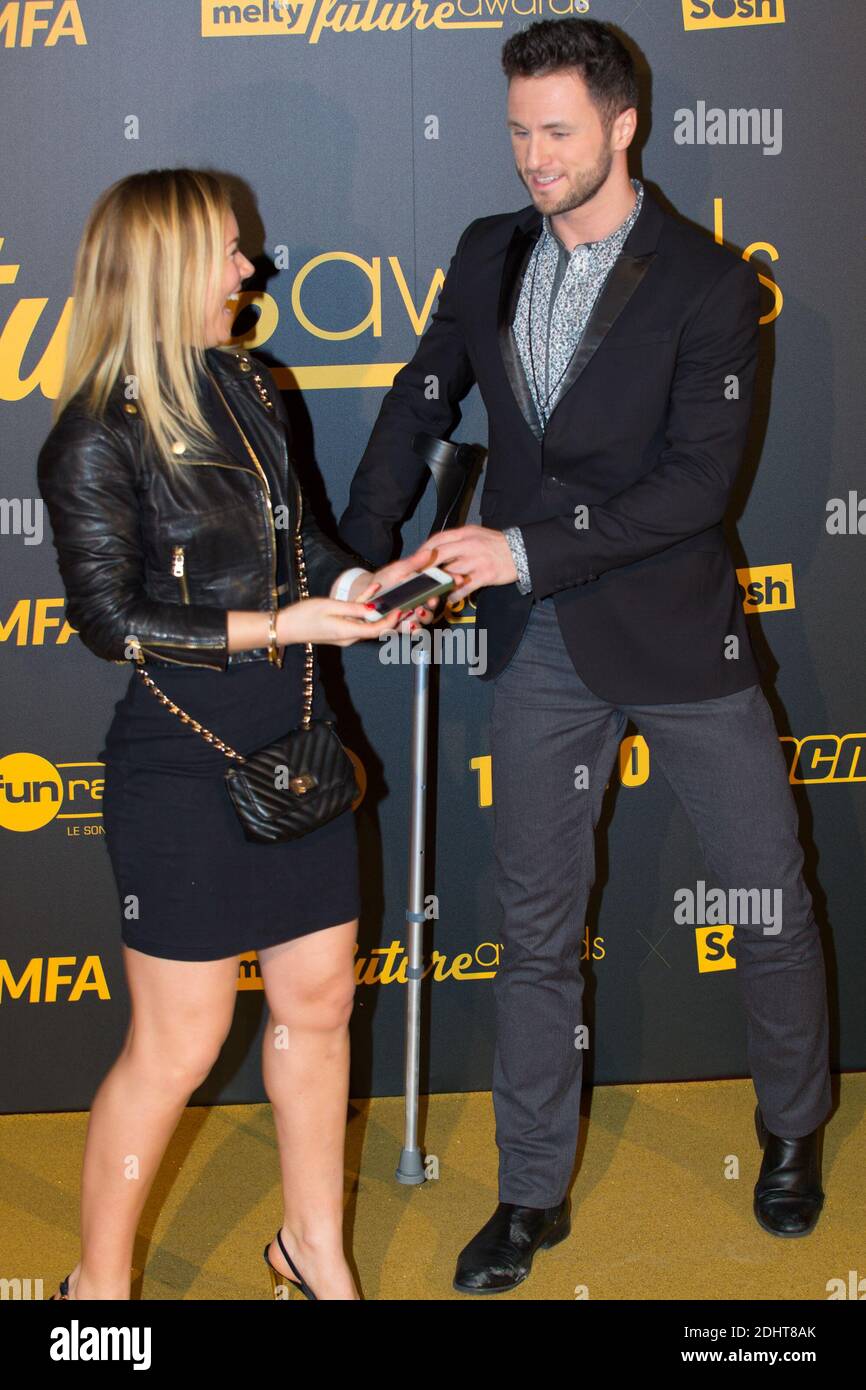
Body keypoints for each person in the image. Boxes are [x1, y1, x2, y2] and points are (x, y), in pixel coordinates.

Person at [338, 17, 831, 1294]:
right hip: (541, 646)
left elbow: (694, 488)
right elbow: (419, 397)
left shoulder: (709, 283)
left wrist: (515, 548)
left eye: (555, 130)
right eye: (515, 129)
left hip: (675, 632)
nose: (530, 156)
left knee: (766, 899)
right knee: (534, 930)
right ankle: (529, 1192)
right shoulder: (485, 253)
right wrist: (355, 551)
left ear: (622, 125)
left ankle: (788, 1131)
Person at [36, 167, 438, 1302]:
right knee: (177, 1041)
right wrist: (279, 625)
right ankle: (95, 1294)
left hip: (297, 744)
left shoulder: (255, 384)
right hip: (179, 763)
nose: (249, 268)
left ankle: (314, 1253)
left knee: (316, 1003)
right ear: (169, 269)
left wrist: (372, 579)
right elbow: (109, 623)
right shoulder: (92, 437)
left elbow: (301, 542)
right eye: (226, 251)